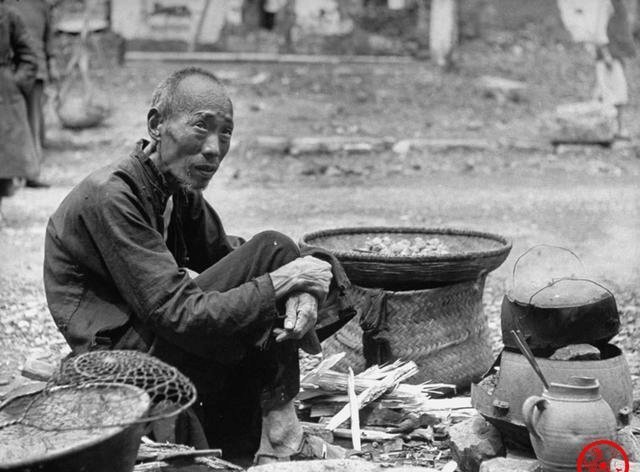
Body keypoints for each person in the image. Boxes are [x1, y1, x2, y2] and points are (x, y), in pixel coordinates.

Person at [43, 67, 356, 465]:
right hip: (118, 367)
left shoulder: (177, 190)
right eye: (201, 127)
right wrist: (286, 277)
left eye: (225, 132)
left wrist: (307, 273)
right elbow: (177, 312)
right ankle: (281, 433)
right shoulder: (112, 196)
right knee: (274, 252)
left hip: (158, 344)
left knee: (281, 258)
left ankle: (275, 433)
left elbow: (230, 259)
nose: (214, 148)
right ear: (157, 125)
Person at [8, 0, 59, 187]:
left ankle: (32, 172)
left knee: (33, 120)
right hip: (13, 72)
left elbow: (48, 39)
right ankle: (13, 173)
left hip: (33, 70)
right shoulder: (8, 6)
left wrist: (52, 65)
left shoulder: (41, 6)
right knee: (15, 123)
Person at [0, 0, 39, 216]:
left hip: (3, 93)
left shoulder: (9, 16)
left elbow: (29, 55)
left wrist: (16, 82)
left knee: (3, 160)